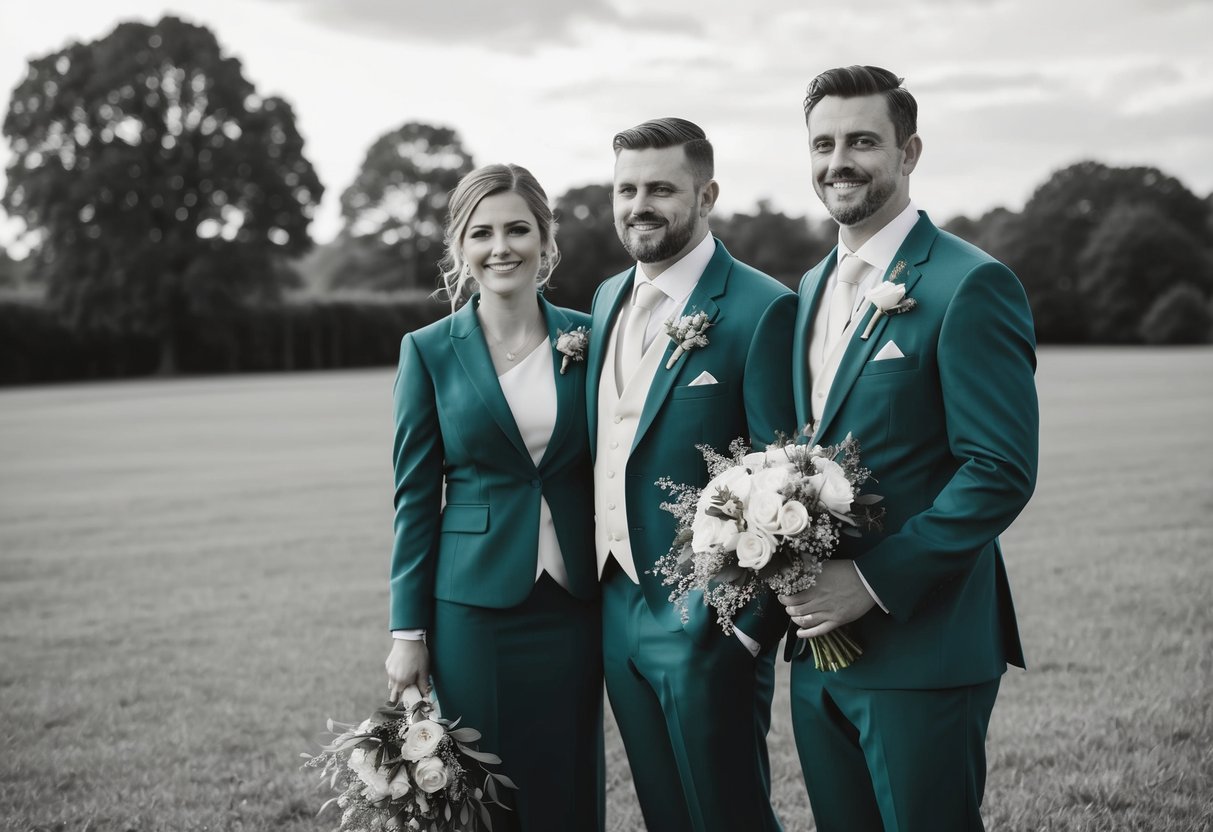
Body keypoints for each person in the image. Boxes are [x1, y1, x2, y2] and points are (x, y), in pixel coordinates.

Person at [779, 65, 1039, 831]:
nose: (838, 162)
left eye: (862, 142)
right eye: (822, 144)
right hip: (819, 651)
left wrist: (871, 579)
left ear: (909, 152)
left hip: (925, 643)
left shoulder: (970, 283)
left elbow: (997, 470)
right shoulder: (810, 287)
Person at [586, 117, 796, 832]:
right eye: (626, 190)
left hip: (711, 618)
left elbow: (785, 472)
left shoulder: (763, 307)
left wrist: (745, 628)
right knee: (664, 814)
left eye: (660, 189)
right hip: (615, 605)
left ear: (706, 196)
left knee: (729, 815)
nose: (638, 205)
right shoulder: (606, 298)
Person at [384, 163, 603, 832]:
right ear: (460, 245)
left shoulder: (591, 337)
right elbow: (414, 499)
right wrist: (406, 633)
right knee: (481, 794)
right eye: (481, 233)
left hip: (574, 602)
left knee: (568, 779)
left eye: (517, 229)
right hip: (473, 610)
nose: (500, 247)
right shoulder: (428, 351)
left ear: (545, 238)